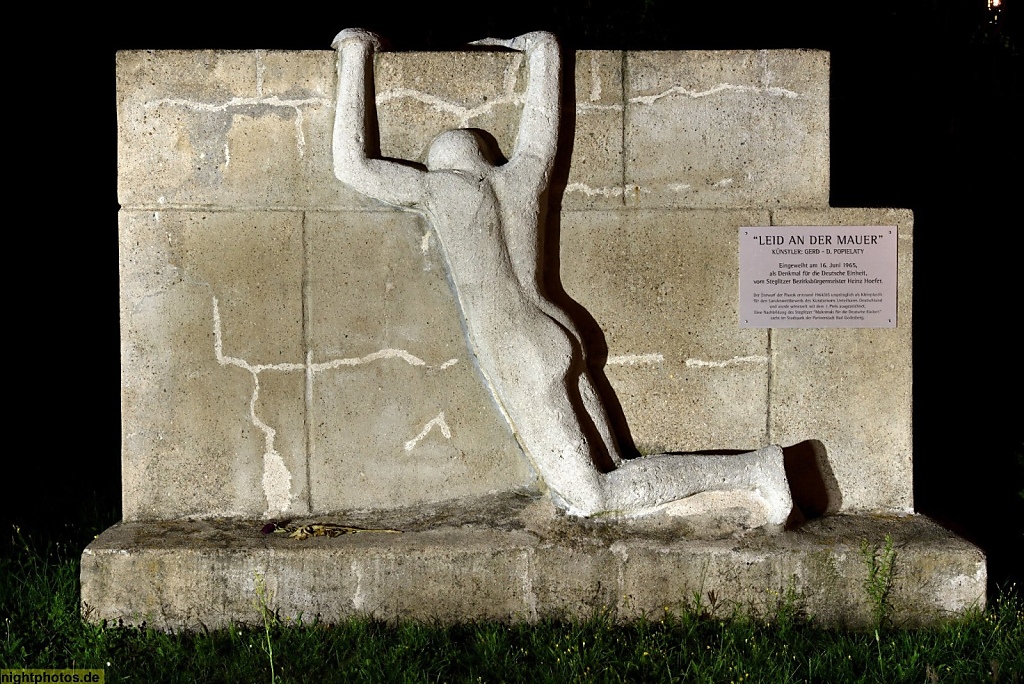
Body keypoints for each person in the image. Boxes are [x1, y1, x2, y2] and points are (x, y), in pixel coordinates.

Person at [332, 29, 793, 525]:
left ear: (441, 165)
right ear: (484, 159)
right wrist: (543, 51)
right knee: (615, 468)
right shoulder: (519, 178)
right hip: (554, 321)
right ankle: (739, 484)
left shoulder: (440, 193)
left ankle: (753, 470)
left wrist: (356, 53)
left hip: (516, 346)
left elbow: (352, 165)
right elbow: (540, 131)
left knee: (590, 495)